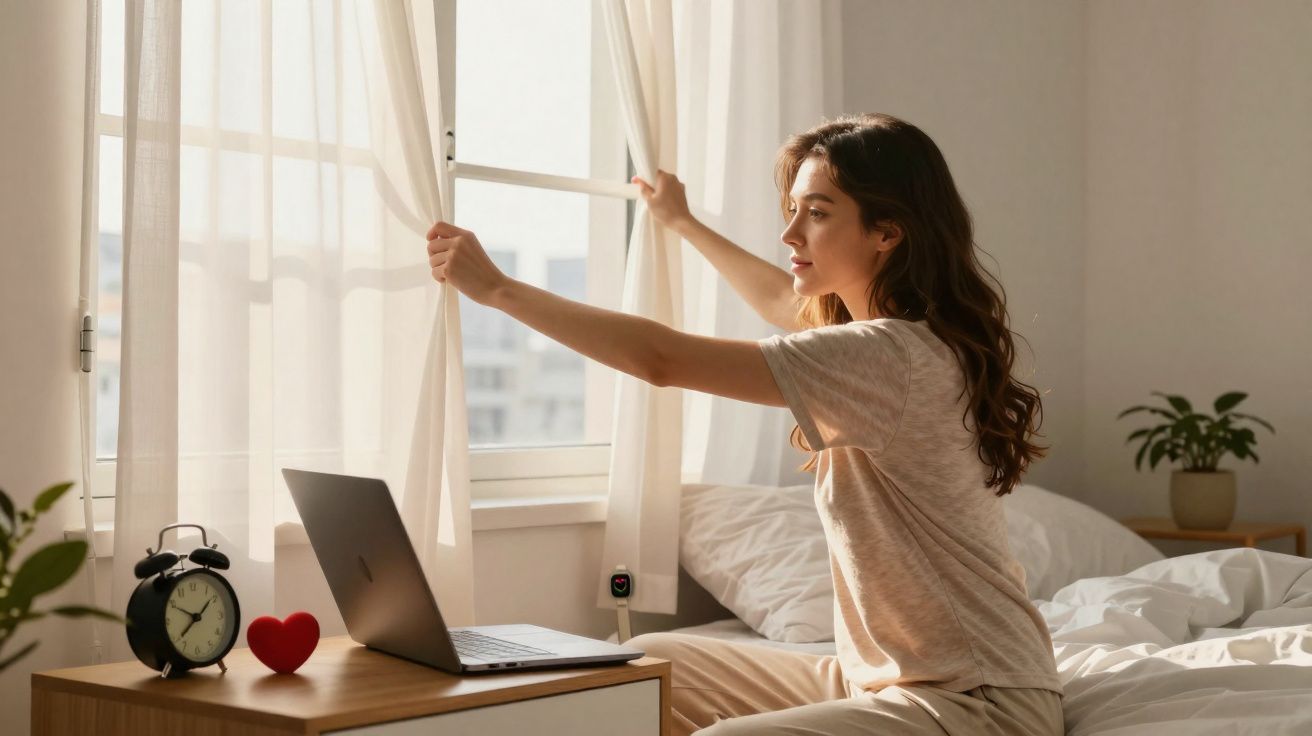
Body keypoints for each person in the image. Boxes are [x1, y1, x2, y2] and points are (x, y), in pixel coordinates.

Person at [424, 112, 1063, 736]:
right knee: (641, 670)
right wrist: (683, 223)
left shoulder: (887, 355)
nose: (790, 232)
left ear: (887, 231)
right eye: (792, 210)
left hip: (978, 700)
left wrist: (499, 290)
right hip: (886, 679)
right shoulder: (890, 344)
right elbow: (782, 301)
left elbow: (661, 359)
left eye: (816, 213)